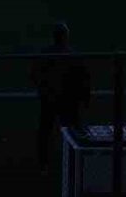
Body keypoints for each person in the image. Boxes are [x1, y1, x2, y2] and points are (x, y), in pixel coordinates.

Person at [31, 22, 91, 172]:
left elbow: (34, 75)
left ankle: (43, 163)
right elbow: (83, 79)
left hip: (50, 99)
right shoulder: (73, 55)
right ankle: (73, 161)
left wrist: (43, 91)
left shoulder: (45, 54)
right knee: (72, 130)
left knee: (45, 130)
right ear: (66, 37)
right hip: (68, 100)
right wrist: (85, 98)